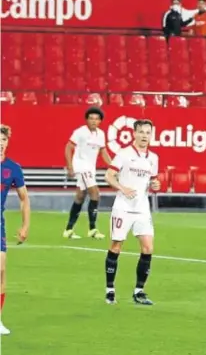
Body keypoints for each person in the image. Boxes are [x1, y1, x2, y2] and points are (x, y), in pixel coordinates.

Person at [104, 119, 160, 306]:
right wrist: (122, 187)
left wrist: (156, 185)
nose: (145, 135)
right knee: (116, 247)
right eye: (141, 132)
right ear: (134, 133)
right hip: (123, 207)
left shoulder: (153, 158)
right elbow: (109, 175)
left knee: (148, 248)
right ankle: (110, 289)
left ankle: (139, 291)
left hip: (142, 208)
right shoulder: (124, 154)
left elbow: (153, 181)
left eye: (148, 132)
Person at [0, 125, 31, 335]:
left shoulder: (13, 168)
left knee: (1, 270)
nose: (1, 142)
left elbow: (24, 198)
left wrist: (25, 225)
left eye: (3, 139)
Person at [63, 107, 111, 240]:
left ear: (100, 121)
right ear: (87, 120)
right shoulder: (80, 132)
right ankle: (93, 229)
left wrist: (112, 166)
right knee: (95, 193)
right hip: (81, 167)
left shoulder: (101, 134)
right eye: (91, 118)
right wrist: (70, 166)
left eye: (96, 119)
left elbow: (103, 151)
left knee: (80, 196)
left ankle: (68, 229)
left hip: (90, 169)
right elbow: (68, 147)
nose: (94, 121)